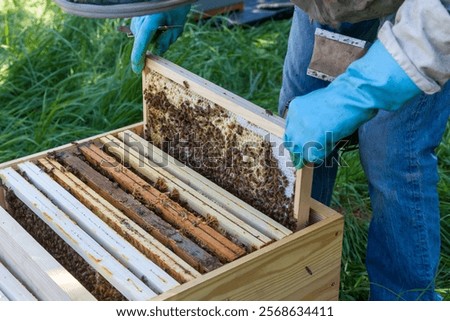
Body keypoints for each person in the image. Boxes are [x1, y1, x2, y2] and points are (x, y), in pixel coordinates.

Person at [58, 0, 450, 300]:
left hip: (416, 15)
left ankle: (404, 299)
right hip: (325, 9)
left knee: (395, 156)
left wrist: (357, 92)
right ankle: (301, 272)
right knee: (295, 141)